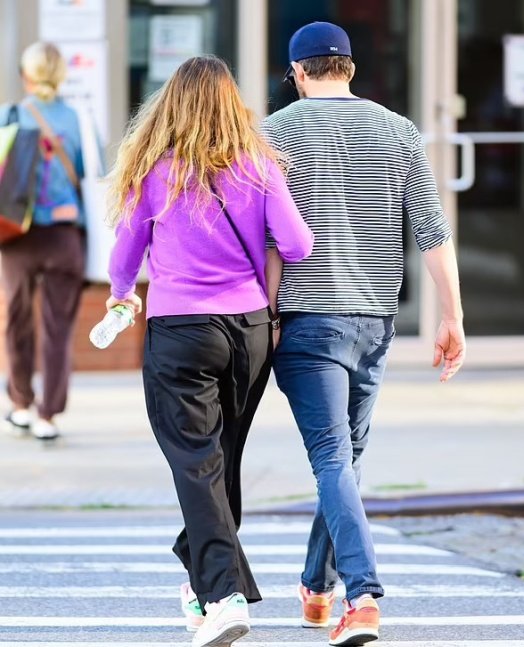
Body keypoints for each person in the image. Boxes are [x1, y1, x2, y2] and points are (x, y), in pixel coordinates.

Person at [262, 21, 466, 646]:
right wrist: (453, 315)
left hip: (305, 321)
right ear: (350, 68)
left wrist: (262, 316)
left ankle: (364, 596)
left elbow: (265, 239)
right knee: (343, 461)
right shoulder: (399, 130)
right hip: (375, 321)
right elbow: (431, 228)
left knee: (332, 460)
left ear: (297, 73)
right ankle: (316, 589)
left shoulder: (271, 133)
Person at [106, 55, 313, 647]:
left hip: (180, 330)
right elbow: (297, 243)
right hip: (248, 327)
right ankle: (203, 578)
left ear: (169, 106)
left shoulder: (154, 169)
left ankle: (220, 597)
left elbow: (124, 256)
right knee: (218, 461)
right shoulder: (258, 165)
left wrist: (122, 297)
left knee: (199, 465)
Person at [0, 42, 85, 441]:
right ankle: (48, 416)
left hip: (17, 235)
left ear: (27, 75)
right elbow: (89, 173)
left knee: (15, 322)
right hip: (64, 235)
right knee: (58, 328)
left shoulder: (10, 115)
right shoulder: (78, 118)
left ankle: (20, 403)